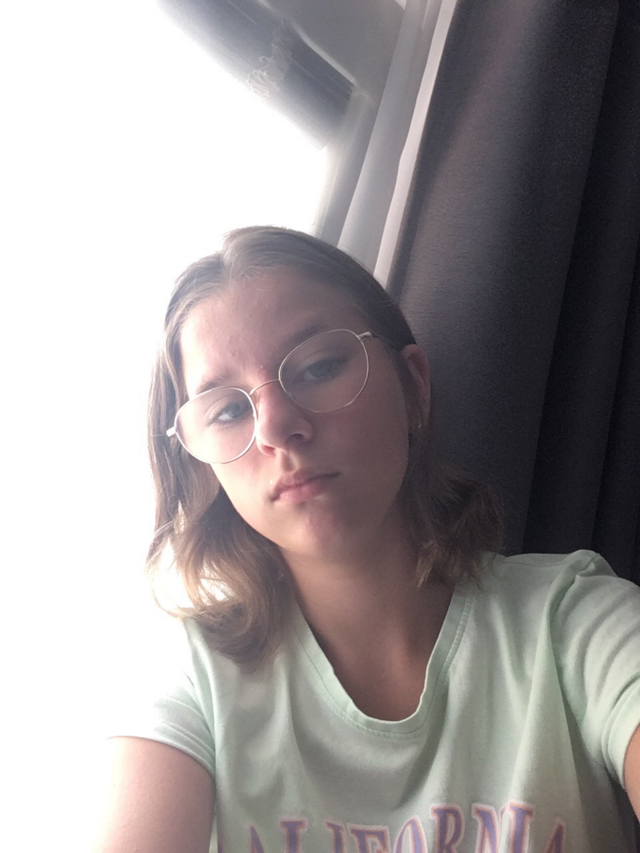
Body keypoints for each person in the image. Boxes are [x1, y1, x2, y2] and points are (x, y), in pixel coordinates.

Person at [95, 226, 640, 853]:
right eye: (228, 409)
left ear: (413, 387)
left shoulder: (575, 622)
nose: (276, 428)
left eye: (318, 367)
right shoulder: (188, 676)